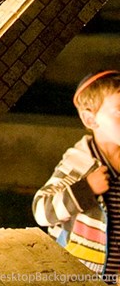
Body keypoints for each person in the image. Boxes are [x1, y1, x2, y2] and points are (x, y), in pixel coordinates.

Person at [33, 70, 120, 283]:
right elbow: (42, 210)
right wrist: (86, 188)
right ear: (90, 119)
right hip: (80, 274)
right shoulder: (80, 164)